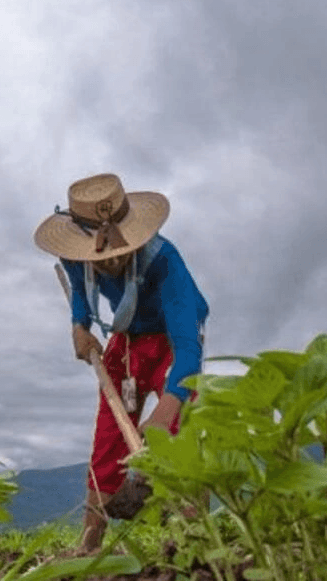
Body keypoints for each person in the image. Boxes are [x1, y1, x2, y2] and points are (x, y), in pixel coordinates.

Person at [33, 173, 209, 554]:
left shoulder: (165, 263)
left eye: (117, 252)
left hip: (172, 344)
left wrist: (167, 408)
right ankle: (90, 543)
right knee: (111, 434)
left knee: (180, 432)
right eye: (101, 255)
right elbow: (81, 289)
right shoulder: (76, 255)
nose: (110, 262)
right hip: (127, 339)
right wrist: (79, 326)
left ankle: (199, 543)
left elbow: (188, 351)